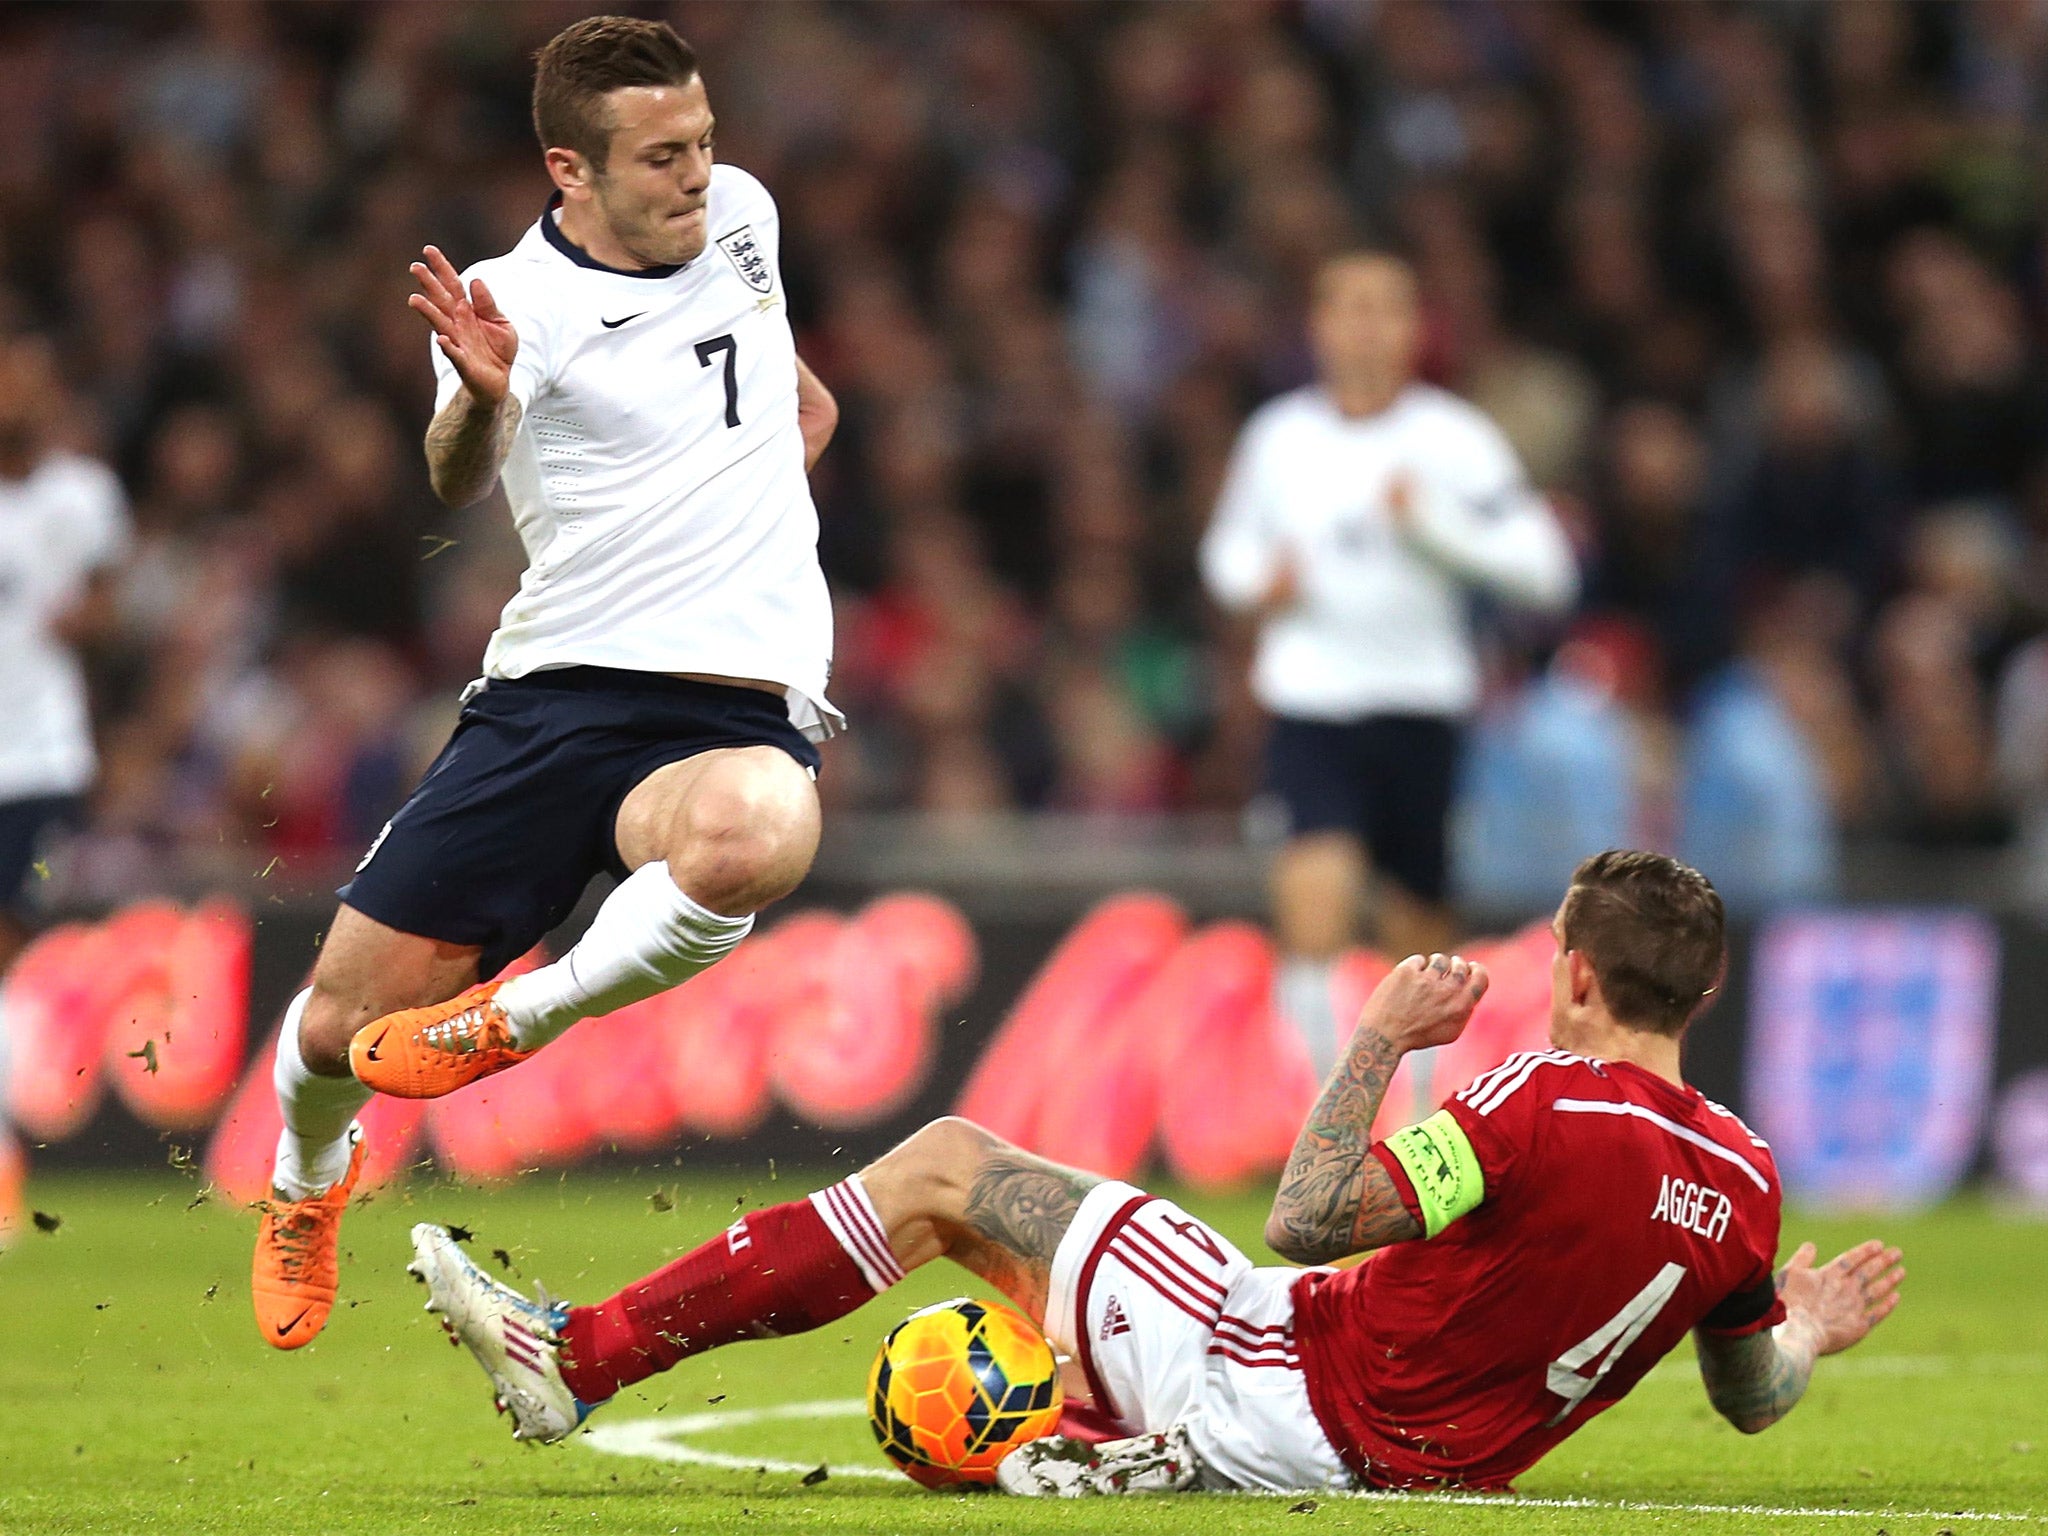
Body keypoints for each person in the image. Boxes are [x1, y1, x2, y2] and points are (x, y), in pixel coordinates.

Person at [408, 851, 1904, 1494]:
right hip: (1416, 1465)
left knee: (944, 1170)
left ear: (1570, 970)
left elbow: (1310, 1223)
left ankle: (579, 1357)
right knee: (1013, 1237)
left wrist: (1379, 1038)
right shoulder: (1750, 1181)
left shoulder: (1533, 1099)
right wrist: (1813, 1335)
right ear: (1701, 1001)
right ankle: (1100, 1422)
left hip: (1279, 1372)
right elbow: (1748, 1399)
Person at [252, 16, 841, 1349]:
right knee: (343, 1030)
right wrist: (476, 400)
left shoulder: (745, 216)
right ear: (570, 171)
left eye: (703, 141)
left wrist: (741, 514)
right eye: (659, 158)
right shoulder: (513, 304)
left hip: (724, 713)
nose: (696, 175)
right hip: (553, 701)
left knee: (763, 830)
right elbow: (455, 473)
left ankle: (512, 1021)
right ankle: (302, 1185)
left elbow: (796, 399)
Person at [1200, 251, 1577, 1083]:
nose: (1367, 327)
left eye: (1387, 309)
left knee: (1417, 936)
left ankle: (1408, 1120)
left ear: (1415, 329)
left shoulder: (1454, 440)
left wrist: (1436, 528)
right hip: (1313, 703)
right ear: (1319, 326)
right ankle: (1326, 1121)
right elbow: (1224, 552)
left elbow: (1546, 566)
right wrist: (1260, 584)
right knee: (1314, 910)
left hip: (1420, 706)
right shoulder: (1280, 438)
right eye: (1350, 308)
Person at [0, 334, 130, 1244]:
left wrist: (90, 616)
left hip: (40, 758)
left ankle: (5, 1154)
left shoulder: (80, 495)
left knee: (11, 939)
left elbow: (108, 613)